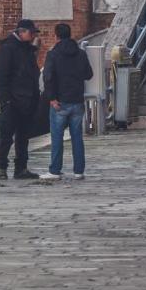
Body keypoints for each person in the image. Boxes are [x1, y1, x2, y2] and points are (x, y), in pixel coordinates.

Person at [41, 23, 93, 181]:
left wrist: (52, 98)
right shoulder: (81, 53)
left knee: (57, 137)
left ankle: (55, 171)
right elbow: (88, 74)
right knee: (77, 137)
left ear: (56, 36)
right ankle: (79, 171)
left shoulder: (53, 54)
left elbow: (48, 78)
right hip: (77, 101)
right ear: (70, 35)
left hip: (60, 101)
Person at [0, 19, 42, 181]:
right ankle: (1, 168)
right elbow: (0, 76)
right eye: (31, 32)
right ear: (21, 32)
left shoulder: (27, 50)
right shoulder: (7, 49)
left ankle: (21, 168)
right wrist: (6, 100)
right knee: (7, 136)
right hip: (12, 102)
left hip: (27, 100)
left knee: (23, 137)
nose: (33, 35)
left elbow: (33, 74)